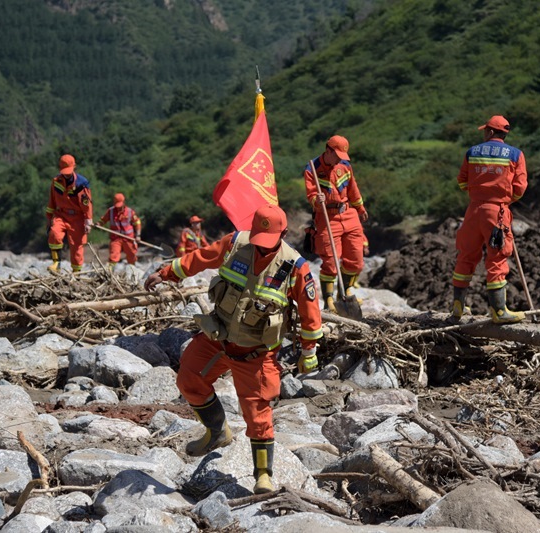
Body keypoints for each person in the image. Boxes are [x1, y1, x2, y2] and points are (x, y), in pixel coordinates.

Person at [144, 204, 322, 494]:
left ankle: (263, 475)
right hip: (219, 337)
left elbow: (310, 313)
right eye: (259, 240)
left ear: (284, 234)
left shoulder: (295, 267)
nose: (262, 247)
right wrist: (166, 273)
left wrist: (309, 352)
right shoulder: (235, 244)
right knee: (188, 378)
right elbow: (200, 258)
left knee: (257, 414)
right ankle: (217, 432)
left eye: (269, 242)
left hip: (256, 353)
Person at [451, 115, 528, 324]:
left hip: (473, 210)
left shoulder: (472, 152)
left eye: (485, 130)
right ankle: (499, 311)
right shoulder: (515, 154)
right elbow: (520, 188)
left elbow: (462, 181)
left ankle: (458, 306)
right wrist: (504, 200)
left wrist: (478, 194)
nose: (484, 133)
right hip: (497, 213)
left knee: (466, 255)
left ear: (491, 132)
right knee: (497, 258)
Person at [303, 135, 368, 312]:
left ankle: (346, 290)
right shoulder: (312, 168)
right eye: (337, 155)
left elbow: (353, 188)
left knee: (356, 260)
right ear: (328, 150)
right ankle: (329, 300)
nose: (339, 159)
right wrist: (317, 200)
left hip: (348, 213)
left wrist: (360, 208)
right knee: (331, 262)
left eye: (342, 156)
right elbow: (311, 195)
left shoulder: (345, 166)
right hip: (326, 217)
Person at [45, 154, 93, 273]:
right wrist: (49, 218)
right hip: (61, 215)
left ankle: (76, 273)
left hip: (77, 217)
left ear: (74, 167)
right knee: (54, 234)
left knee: (77, 247)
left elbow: (86, 204)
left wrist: (88, 220)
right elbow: (51, 201)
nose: (66, 174)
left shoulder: (81, 183)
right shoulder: (56, 181)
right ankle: (56, 263)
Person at [97, 193, 142, 269]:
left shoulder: (130, 212)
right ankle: (110, 271)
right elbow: (103, 220)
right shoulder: (111, 211)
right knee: (114, 256)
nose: (118, 208)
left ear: (124, 203)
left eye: (120, 206)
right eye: (117, 206)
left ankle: (132, 270)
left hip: (128, 238)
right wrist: (98, 224)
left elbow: (137, 223)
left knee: (131, 255)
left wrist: (138, 235)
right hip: (116, 239)